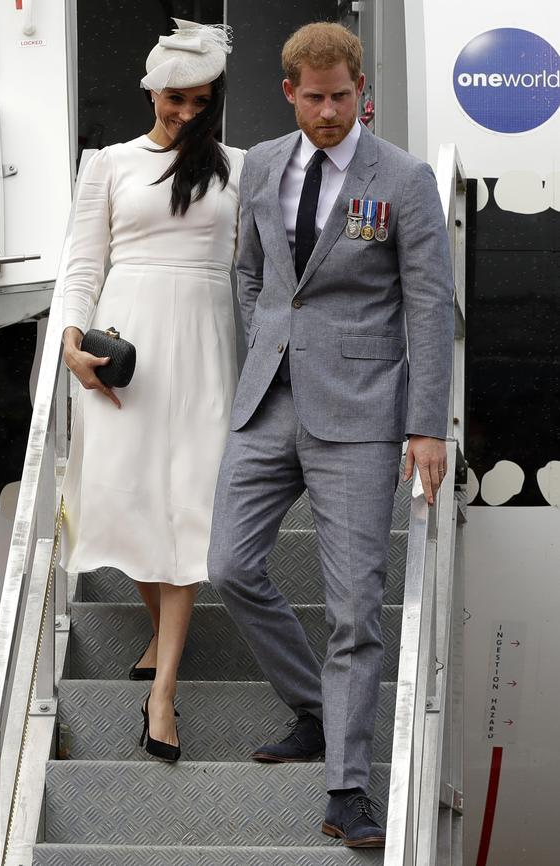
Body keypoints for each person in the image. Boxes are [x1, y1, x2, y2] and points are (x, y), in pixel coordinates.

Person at [208, 22, 454, 847]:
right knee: (229, 566)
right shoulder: (263, 163)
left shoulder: (406, 179)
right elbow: (250, 272)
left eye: (341, 97)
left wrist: (427, 425)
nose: (328, 113)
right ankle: (314, 705)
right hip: (269, 400)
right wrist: (269, 342)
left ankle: (348, 788)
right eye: (313, 98)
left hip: (362, 413)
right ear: (289, 92)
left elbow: (428, 305)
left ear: (362, 90)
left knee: (356, 610)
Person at [60, 18, 244, 763]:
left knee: (188, 508)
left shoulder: (240, 166)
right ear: (151, 91)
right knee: (132, 498)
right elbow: (82, 261)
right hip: (124, 346)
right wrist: (71, 342)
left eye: (202, 101)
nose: (188, 114)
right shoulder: (107, 163)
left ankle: (162, 690)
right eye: (176, 99)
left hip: (203, 343)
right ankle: (164, 637)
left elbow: (252, 269)